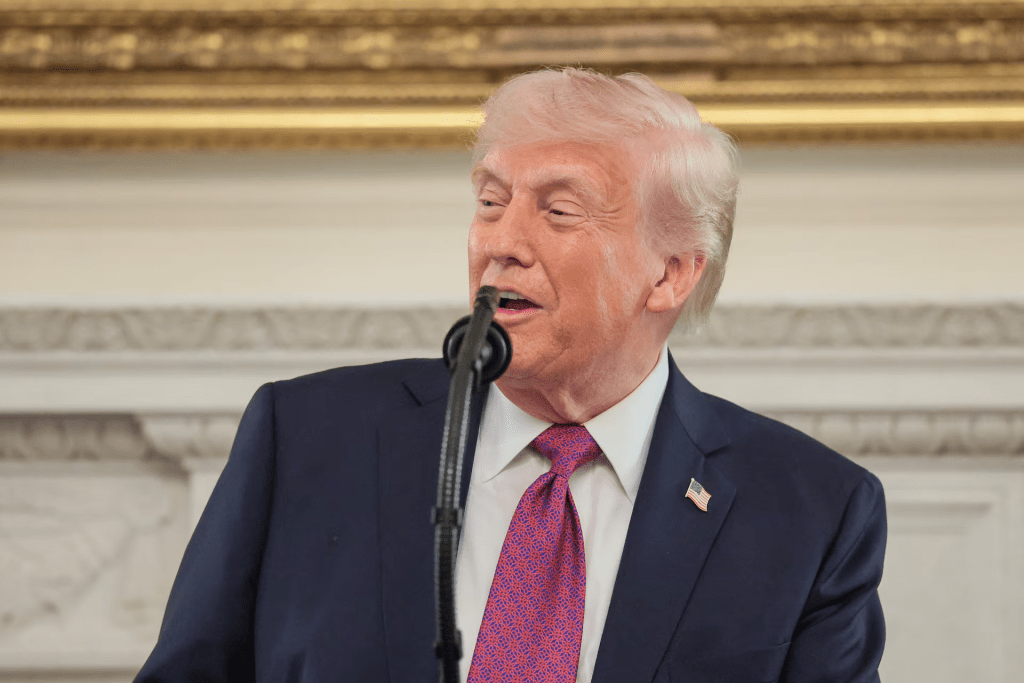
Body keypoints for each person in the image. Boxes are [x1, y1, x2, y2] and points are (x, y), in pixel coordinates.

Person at [136, 68, 886, 683]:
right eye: (491, 201)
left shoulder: (811, 510)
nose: (502, 242)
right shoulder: (304, 438)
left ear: (670, 274)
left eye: (559, 212)